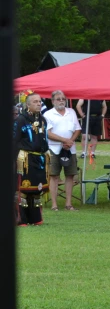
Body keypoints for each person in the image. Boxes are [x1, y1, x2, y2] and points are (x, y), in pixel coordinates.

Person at [14, 92, 49, 225]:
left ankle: (35, 219)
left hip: (39, 158)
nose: (39, 103)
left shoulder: (42, 119)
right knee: (23, 190)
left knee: (36, 190)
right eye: (35, 101)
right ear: (27, 104)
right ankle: (21, 219)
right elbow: (13, 140)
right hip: (25, 159)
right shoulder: (20, 120)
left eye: (40, 101)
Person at [44, 90, 81, 212]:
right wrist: (65, 140)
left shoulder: (71, 112)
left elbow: (77, 129)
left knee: (70, 175)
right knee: (54, 176)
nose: (61, 101)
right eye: (58, 99)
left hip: (70, 149)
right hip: (54, 149)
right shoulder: (48, 114)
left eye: (63, 99)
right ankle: (54, 204)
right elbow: (48, 133)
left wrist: (70, 141)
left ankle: (68, 204)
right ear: (53, 101)